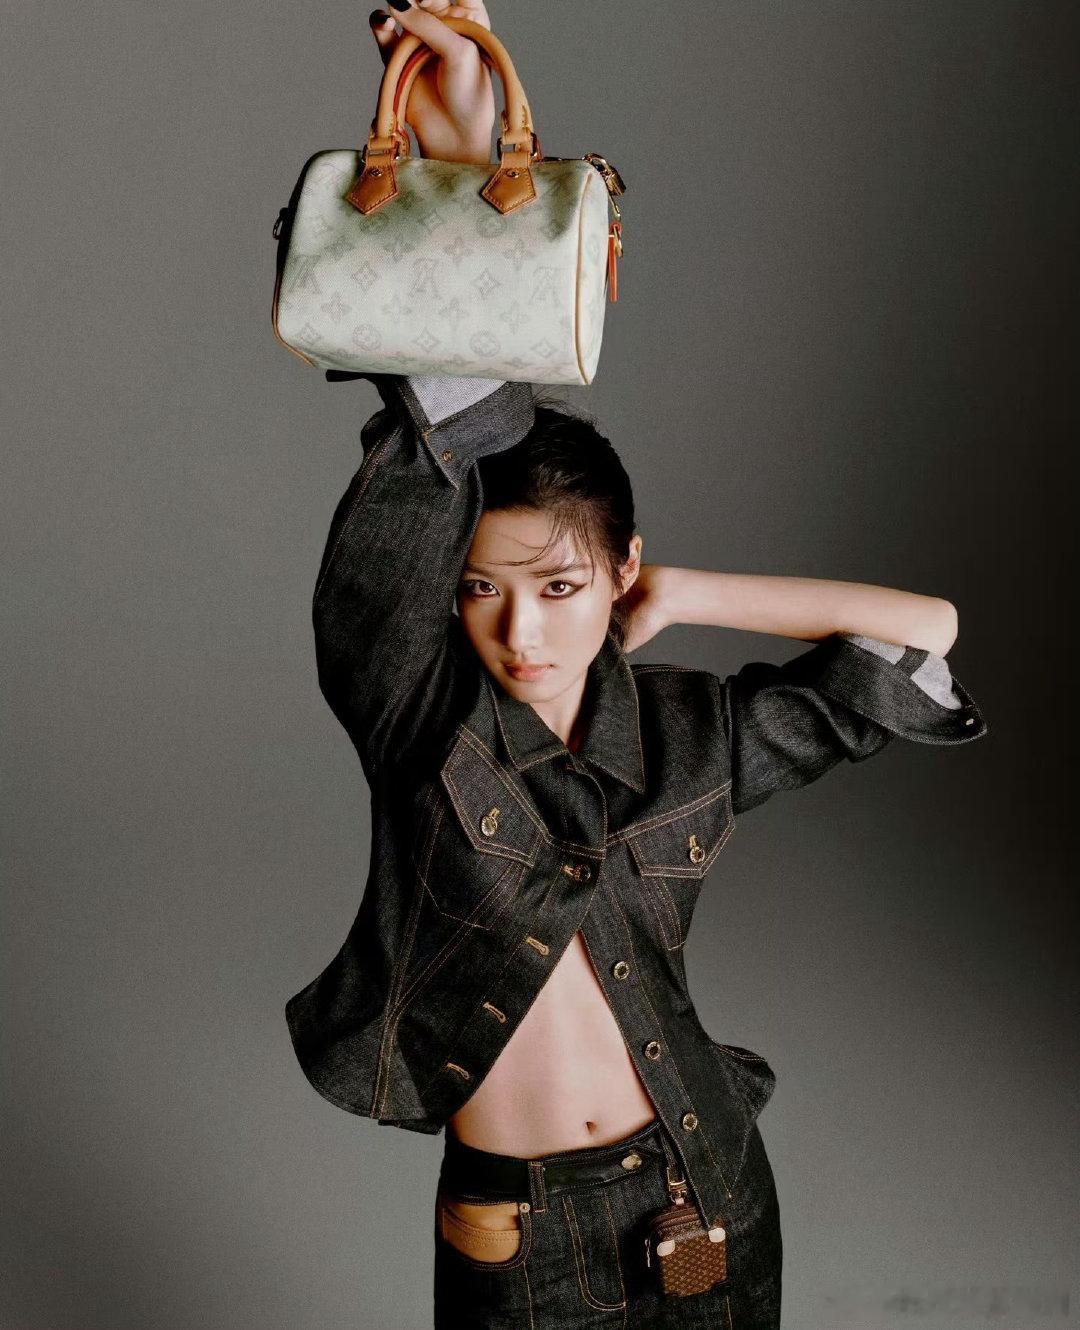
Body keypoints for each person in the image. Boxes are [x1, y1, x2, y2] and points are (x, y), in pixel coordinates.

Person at [284, 3, 989, 1326]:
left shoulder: (689, 738)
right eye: (480, 589)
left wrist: (694, 594)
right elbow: (432, 443)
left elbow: (923, 635)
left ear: (618, 574)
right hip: (518, 1235)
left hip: (708, 1188)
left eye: (561, 587)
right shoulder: (420, 720)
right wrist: (464, 166)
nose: (521, 628)